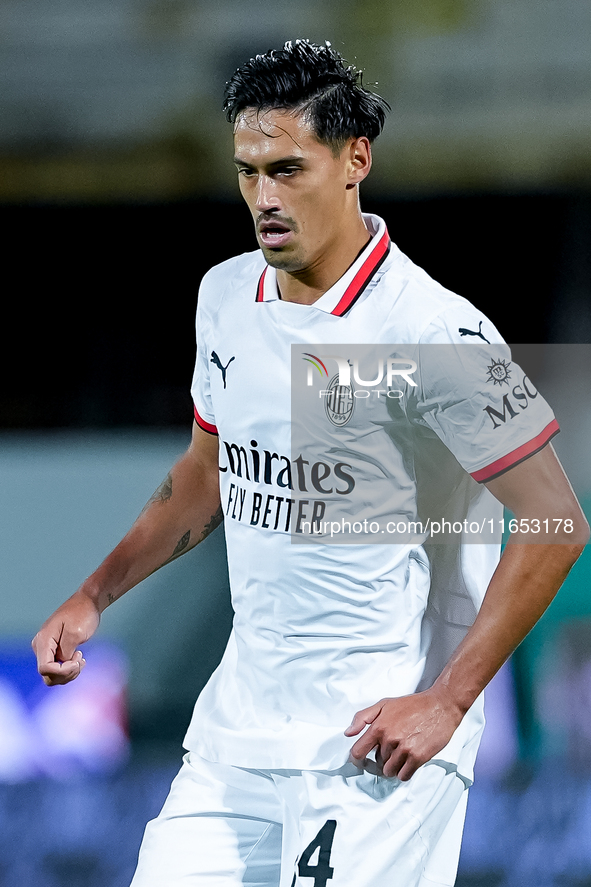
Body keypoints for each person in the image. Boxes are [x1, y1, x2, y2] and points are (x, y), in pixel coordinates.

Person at [32, 39, 588, 887]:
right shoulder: (224, 296)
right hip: (235, 735)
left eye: (288, 168)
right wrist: (93, 591)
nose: (264, 197)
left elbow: (554, 521)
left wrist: (446, 701)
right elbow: (205, 471)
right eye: (248, 171)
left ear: (354, 159)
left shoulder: (432, 333)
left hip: (377, 744)